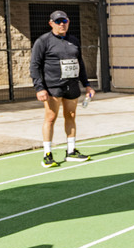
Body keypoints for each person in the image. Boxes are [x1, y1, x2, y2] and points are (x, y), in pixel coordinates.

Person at [30, 10, 95, 167]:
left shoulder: (73, 40)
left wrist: (86, 84)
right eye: (58, 21)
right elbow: (35, 65)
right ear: (51, 23)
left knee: (71, 116)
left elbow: (80, 63)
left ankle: (71, 151)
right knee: (51, 118)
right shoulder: (43, 41)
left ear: (68, 22)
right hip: (52, 87)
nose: (61, 24)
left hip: (71, 86)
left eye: (64, 21)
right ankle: (47, 154)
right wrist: (39, 87)